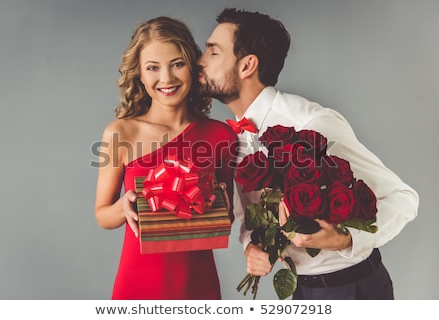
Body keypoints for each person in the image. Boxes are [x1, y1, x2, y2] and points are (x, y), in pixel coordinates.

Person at [198, 8, 419, 299]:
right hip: (303, 291)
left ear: (247, 65)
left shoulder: (310, 123)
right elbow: (247, 219)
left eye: (212, 53)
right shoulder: (231, 139)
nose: (199, 62)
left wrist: (345, 238)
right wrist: (251, 246)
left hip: (354, 289)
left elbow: (404, 199)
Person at [94, 16, 237, 300]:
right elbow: (102, 215)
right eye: (153, 68)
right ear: (140, 75)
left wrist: (219, 203)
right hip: (138, 284)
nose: (167, 78)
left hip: (199, 285)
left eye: (177, 64)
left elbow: (229, 218)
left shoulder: (221, 135)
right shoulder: (120, 132)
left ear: (192, 66)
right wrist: (124, 206)